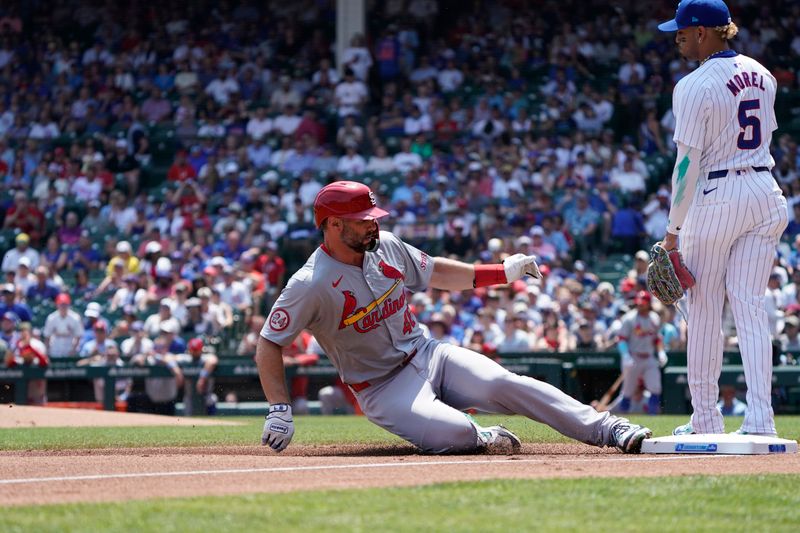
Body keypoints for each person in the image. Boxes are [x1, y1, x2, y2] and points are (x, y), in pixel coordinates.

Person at [256, 181, 651, 454]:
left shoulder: (386, 245)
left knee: (505, 383)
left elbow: (437, 272)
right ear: (334, 224)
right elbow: (269, 343)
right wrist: (279, 407)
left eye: (373, 215)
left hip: (430, 354)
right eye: (363, 218)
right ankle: (480, 437)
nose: (373, 222)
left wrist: (502, 272)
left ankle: (608, 428)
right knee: (455, 432)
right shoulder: (309, 283)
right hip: (381, 387)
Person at [658, 0, 788, 437]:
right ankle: (760, 419)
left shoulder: (693, 85)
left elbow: (686, 165)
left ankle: (706, 420)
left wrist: (672, 232)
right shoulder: (763, 74)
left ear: (703, 33)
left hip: (717, 194)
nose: (676, 36)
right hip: (765, 188)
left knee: (704, 308)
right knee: (751, 308)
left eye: (681, 30)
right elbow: (764, 135)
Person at [615, 291, 667, 415]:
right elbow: (621, 339)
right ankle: (623, 417)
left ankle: (653, 417)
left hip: (648, 357)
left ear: (649, 304)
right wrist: (626, 355)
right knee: (628, 391)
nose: (640, 306)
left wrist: (661, 352)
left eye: (643, 304)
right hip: (633, 356)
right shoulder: (629, 318)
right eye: (638, 303)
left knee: (655, 387)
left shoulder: (654, 318)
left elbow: (657, 338)